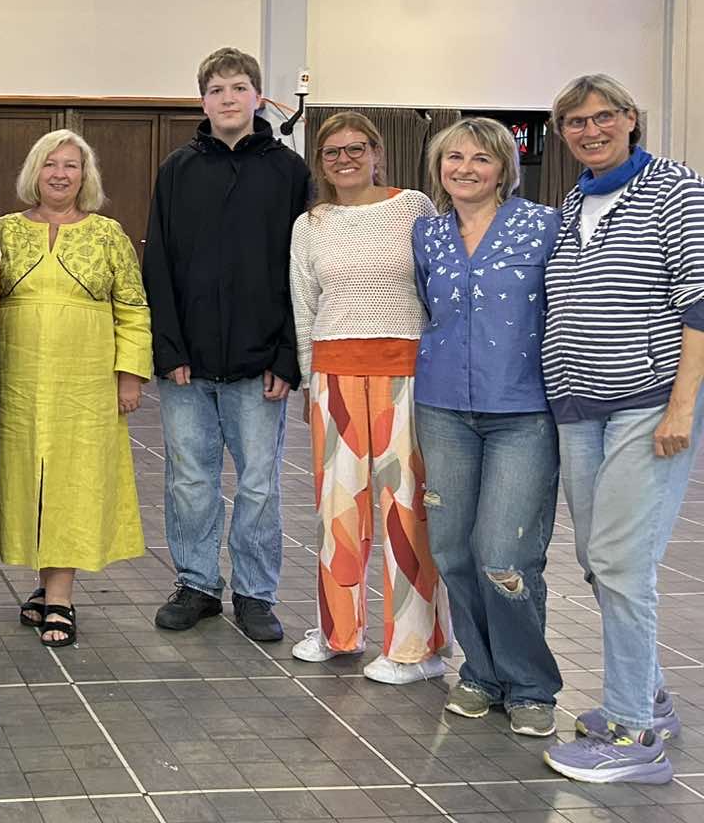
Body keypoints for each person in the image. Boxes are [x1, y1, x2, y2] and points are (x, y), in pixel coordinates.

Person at [538, 75, 704, 785]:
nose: (591, 130)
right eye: (576, 122)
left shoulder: (675, 188)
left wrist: (682, 407)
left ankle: (635, 736)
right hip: (579, 408)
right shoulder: (573, 201)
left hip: (647, 403)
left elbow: (699, 301)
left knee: (622, 562)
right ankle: (651, 696)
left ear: (631, 119)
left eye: (604, 116)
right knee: (598, 559)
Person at [143, 47, 310, 643]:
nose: (229, 98)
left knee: (259, 485)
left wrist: (288, 356)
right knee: (190, 481)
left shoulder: (289, 173)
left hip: (261, 364)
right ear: (203, 102)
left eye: (239, 87)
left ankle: (256, 593)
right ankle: (196, 584)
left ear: (258, 97)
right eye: (216, 90)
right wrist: (168, 350)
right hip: (187, 364)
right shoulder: (177, 170)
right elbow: (158, 264)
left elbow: (302, 271)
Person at [412, 118, 562, 737]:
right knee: (451, 550)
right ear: (439, 167)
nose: (465, 168)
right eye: (454, 157)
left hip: (522, 411)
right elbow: (426, 306)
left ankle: (529, 684)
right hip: (443, 405)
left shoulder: (544, 226)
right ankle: (480, 672)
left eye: (481, 158)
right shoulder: (427, 233)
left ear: (504, 167)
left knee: (505, 554)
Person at [289, 110, 450, 683]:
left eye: (356, 148)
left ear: (377, 153)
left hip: (404, 374)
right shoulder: (310, 223)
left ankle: (416, 647)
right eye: (332, 152)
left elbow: (435, 288)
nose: (345, 159)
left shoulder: (413, 208)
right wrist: (309, 380)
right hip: (333, 374)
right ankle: (339, 632)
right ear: (321, 162)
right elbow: (304, 305)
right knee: (337, 509)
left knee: (406, 510)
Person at [0, 130, 151, 648]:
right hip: (17, 382)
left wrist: (130, 374)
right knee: (25, 482)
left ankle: (60, 596)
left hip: (86, 384)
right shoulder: (4, 231)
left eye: (71, 166)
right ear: (33, 172)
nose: (60, 174)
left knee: (72, 484)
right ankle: (43, 584)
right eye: (50, 164)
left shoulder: (107, 234)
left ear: (85, 176)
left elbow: (133, 308)